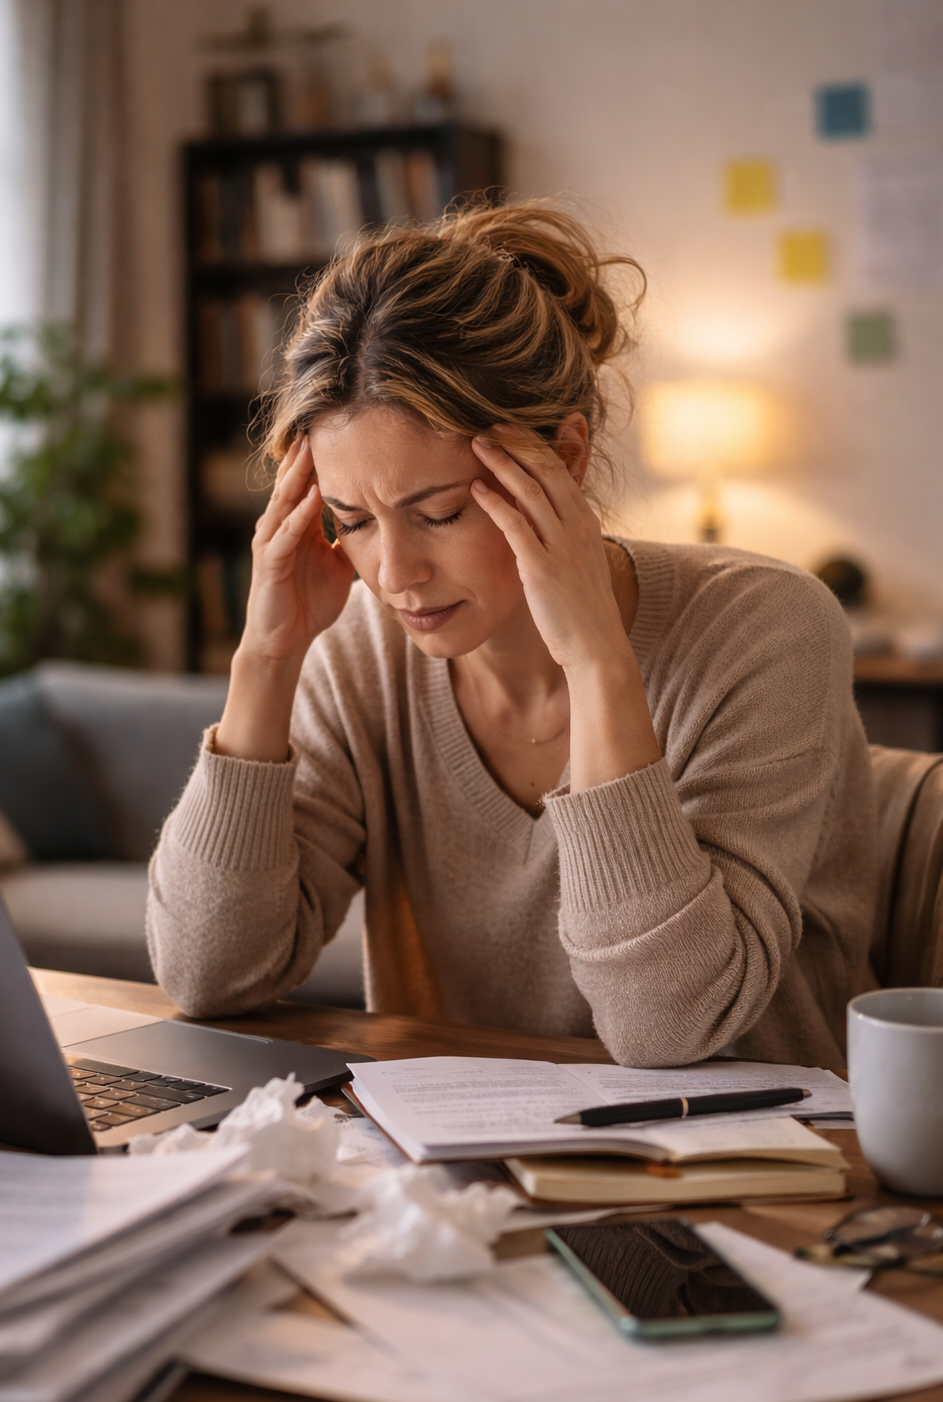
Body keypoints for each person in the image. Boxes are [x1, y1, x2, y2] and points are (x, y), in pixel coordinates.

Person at [148, 202, 877, 1069]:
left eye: (440, 512)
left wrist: (598, 660)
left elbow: (668, 1025)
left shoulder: (767, 630)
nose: (394, 574)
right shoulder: (360, 656)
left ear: (563, 460)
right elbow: (207, 975)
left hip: (755, 1176)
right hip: (460, 1178)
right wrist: (265, 659)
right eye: (354, 520)